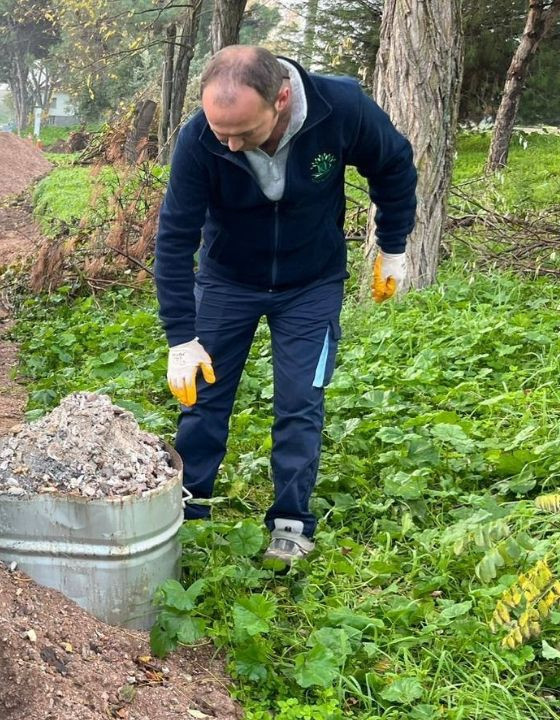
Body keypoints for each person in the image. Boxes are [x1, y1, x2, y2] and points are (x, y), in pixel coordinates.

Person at [154, 45, 418, 565]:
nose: (230, 144)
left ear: (280, 99)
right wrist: (181, 337)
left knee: (300, 402)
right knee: (203, 399)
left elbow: (393, 165)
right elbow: (175, 237)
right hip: (228, 280)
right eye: (221, 132)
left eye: (243, 132)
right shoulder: (200, 136)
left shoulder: (339, 107)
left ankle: (291, 523)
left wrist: (393, 247)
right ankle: (188, 510)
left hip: (311, 282)